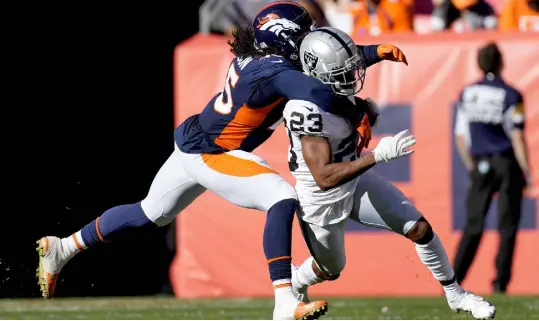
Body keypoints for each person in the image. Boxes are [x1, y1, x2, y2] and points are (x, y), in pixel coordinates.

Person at [36, 2, 407, 319]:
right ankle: (283, 301)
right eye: (304, 34)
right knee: (281, 198)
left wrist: (372, 53)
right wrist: (356, 107)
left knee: (149, 212)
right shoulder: (275, 72)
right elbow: (317, 89)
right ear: (285, 41)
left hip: (194, 141)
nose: (312, 39)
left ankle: (63, 246)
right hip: (213, 153)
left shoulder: (265, 58)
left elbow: (318, 65)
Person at [283, 27, 496, 319]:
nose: (352, 77)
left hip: (354, 180)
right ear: (317, 74)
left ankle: (457, 295)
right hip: (321, 196)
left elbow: (355, 58)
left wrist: (377, 52)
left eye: (351, 70)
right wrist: (377, 155)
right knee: (331, 268)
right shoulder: (305, 109)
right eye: (342, 74)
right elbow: (324, 177)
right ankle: (296, 282)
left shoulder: (327, 83)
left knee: (419, 228)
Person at [453, 42, 530, 294]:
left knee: (473, 225)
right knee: (508, 227)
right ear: (501, 62)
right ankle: (500, 283)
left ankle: (454, 280)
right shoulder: (511, 94)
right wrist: (527, 171)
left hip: (481, 164)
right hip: (506, 164)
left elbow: (461, 136)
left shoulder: (467, 93)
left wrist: (471, 164)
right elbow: (517, 135)